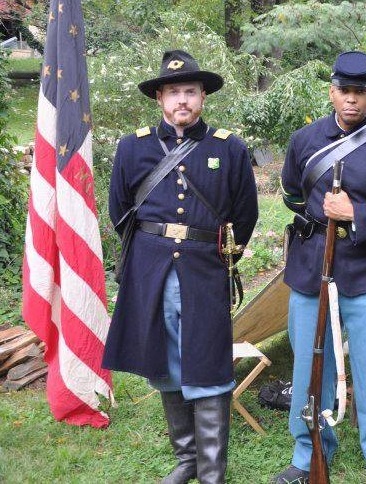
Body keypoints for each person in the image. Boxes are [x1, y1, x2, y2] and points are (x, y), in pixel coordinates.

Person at [104, 49, 259, 484]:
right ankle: (187, 459)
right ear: (159, 98)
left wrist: (224, 254)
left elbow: (245, 213)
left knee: (208, 361)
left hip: (205, 268)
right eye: (174, 92)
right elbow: (120, 210)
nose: (182, 100)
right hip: (150, 270)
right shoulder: (133, 147)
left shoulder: (227, 148)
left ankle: (211, 472)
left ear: (203, 96)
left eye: (190, 91)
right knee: (167, 362)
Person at [273, 51, 366, 484]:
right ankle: (309, 454)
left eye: (361, 92)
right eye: (344, 91)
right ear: (332, 92)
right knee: (309, 368)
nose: (352, 100)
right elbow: (291, 196)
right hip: (311, 267)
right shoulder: (304, 140)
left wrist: (356, 214)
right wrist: (323, 225)